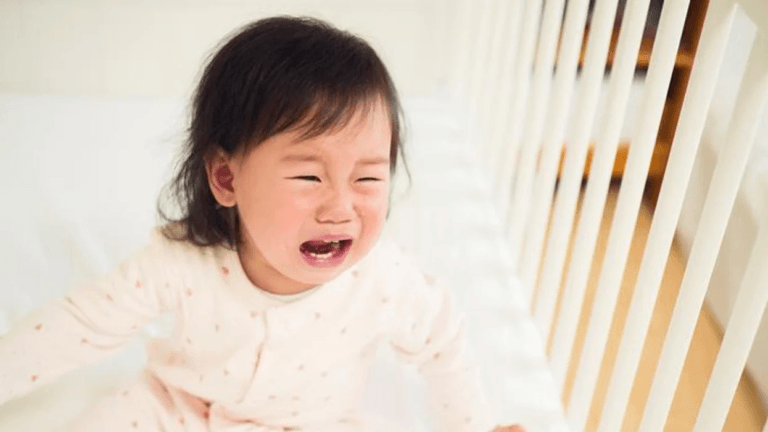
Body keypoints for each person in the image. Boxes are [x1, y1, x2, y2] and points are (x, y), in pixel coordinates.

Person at [0, 16, 525, 432]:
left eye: (368, 179)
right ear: (226, 178)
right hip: (175, 409)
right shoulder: (182, 264)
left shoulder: (385, 282)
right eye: (307, 177)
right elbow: (77, 326)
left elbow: (443, 343)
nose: (339, 207)